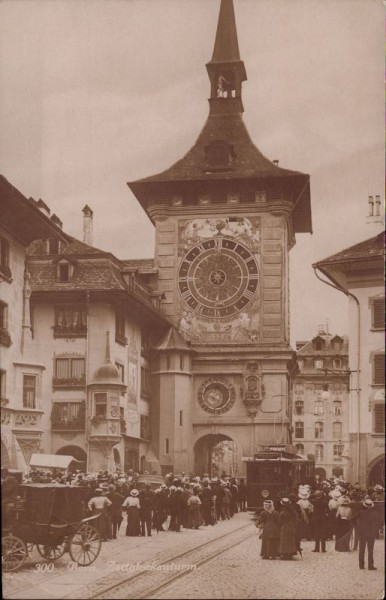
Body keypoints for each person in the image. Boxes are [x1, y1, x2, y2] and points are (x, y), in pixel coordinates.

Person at [357, 498, 379, 570]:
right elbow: (377, 524)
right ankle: (370, 565)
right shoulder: (375, 514)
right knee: (370, 550)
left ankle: (361, 565)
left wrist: (358, 526)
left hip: (362, 533)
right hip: (371, 534)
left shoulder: (360, 512)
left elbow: (352, 520)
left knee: (361, 549)